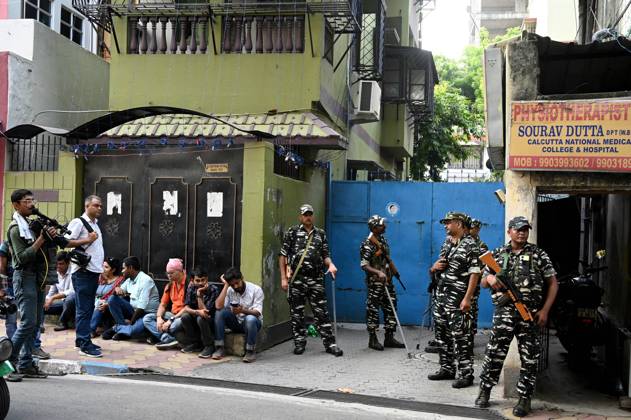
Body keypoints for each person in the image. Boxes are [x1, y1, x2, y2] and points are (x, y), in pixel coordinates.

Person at [5, 189, 93, 380]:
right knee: (28, 322)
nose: (30, 204)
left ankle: (26, 365)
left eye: (31, 200)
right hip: (24, 278)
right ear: (16, 205)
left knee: (35, 323)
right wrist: (41, 239)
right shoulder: (15, 228)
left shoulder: (31, 225)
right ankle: (7, 364)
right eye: (26, 201)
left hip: (38, 278)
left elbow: (62, 242)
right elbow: (21, 259)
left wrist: (51, 235)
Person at [475, 216, 558, 417]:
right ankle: (484, 391)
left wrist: (545, 310)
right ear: (509, 231)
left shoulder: (538, 254)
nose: (522, 232)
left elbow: (553, 283)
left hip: (528, 314)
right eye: (518, 229)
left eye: (525, 229)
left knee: (530, 358)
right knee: (495, 353)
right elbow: (483, 281)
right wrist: (491, 277)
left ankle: (524, 399)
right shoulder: (496, 254)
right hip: (504, 313)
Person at [279, 204, 343, 357]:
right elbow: (283, 255)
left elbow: (325, 254)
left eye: (310, 214)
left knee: (322, 313)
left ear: (313, 216)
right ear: (300, 217)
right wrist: (283, 278)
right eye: (305, 214)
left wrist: (331, 264)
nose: (308, 217)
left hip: (316, 279)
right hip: (297, 280)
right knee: (297, 313)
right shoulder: (292, 232)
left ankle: (330, 343)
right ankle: (300, 342)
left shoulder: (320, 234)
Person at [427, 212, 481, 389]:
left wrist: (467, 298)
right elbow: (439, 266)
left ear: (458, 224)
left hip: (459, 301)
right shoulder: (447, 243)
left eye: (448, 223)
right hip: (442, 298)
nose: (445, 226)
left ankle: (466, 374)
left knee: (461, 337)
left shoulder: (471, 245)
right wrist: (433, 267)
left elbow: (475, 273)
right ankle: (447, 368)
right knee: (442, 336)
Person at [65, 195, 105, 358]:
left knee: (86, 308)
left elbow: (96, 250)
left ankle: (81, 340)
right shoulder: (78, 222)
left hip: (92, 271)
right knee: (84, 309)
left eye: (101, 206)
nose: (99, 208)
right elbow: (65, 242)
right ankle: (84, 343)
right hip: (83, 272)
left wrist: (100, 270)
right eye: (96, 205)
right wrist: (87, 239)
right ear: (87, 206)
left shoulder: (95, 224)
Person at [359, 215, 405, 351]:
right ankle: (372, 339)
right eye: (381, 224)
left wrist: (393, 271)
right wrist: (378, 272)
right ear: (374, 228)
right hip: (375, 282)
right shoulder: (367, 244)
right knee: (373, 310)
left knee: (391, 307)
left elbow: (386, 258)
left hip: (388, 281)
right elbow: (364, 265)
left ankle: (389, 337)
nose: (385, 226)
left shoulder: (383, 240)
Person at [102, 256, 160, 341]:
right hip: (133, 311)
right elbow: (118, 293)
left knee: (133, 330)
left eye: (123, 268)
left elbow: (141, 308)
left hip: (146, 314)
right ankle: (123, 330)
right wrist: (116, 289)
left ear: (131, 268)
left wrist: (131, 323)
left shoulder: (145, 280)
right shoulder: (129, 280)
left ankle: (118, 329)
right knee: (112, 299)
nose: (122, 271)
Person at [212, 267, 263, 363]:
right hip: (236, 322)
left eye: (237, 283)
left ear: (242, 278)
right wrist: (226, 285)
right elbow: (218, 306)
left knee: (250, 319)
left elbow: (257, 312)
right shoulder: (230, 289)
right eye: (232, 284)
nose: (235, 287)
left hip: (252, 324)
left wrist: (242, 310)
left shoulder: (256, 290)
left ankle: (250, 351)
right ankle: (219, 348)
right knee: (219, 312)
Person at [177, 267, 220, 358]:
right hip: (197, 316)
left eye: (203, 280)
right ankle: (195, 343)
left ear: (207, 279)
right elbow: (186, 307)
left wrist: (199, 296)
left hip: (210, 320)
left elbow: (206, 312)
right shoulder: (191, 288)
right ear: (192, 280)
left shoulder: (213, 289)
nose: (200, 283)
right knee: (185, 317)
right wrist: (197, 312)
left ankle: (209, 346)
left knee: (201, 318)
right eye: (197, 280)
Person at [145, 258, 187, 349]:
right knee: (147, 319)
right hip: (172, 314)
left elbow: (187, 308)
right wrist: (159, 317)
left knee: (172, 326)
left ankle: (163, 338)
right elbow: (163, 304)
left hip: (183, 316)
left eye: (171, 273)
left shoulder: (188, 284)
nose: (169, 275)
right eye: (167, 273)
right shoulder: (170, 285)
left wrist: (170, 321)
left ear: (179, 271)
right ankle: (167, 338)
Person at [90, 257, 125, 337]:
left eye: (106, 267)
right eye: (103, 266)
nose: (103, 269)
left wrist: (106, 303)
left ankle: (91, 330)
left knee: (100, 303)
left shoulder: (119, 281)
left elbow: (119, 298)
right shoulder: (100, 279)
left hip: (109, 305)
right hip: (96, 302)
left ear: (113, 270)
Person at [44, 251, 76, 331]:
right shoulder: (56, 273)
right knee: (41, 303)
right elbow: (52, 291)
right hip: (61, 303)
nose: (58, 266)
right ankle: (39, 326)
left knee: (70, 299)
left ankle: (63, 322)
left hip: (72, 303)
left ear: (68, 263)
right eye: (57, 264)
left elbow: (72, 291)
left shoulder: (73, 272)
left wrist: (53, 297)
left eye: (61, 264)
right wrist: (46, 300)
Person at [0, 241, 17, 340]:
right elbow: (1, 268)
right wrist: (2, 289)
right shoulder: (5, 246)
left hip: (25, 284)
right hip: (9, 285)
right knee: (11, 318)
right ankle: (13, 345)